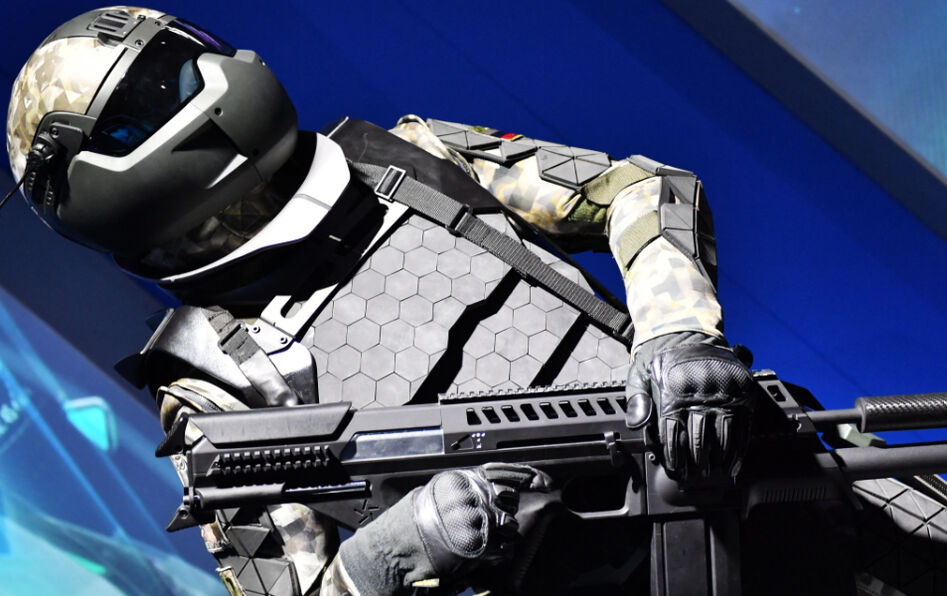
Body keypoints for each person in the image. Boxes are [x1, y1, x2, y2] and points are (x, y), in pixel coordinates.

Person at [13, 6, 936, 596]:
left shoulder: (410, 159)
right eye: (154, 92)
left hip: (791, 476)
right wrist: (390, 555)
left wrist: (676, 336)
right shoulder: (212, 386)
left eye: (183, 62)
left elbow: (640, 190)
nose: (204, 77)